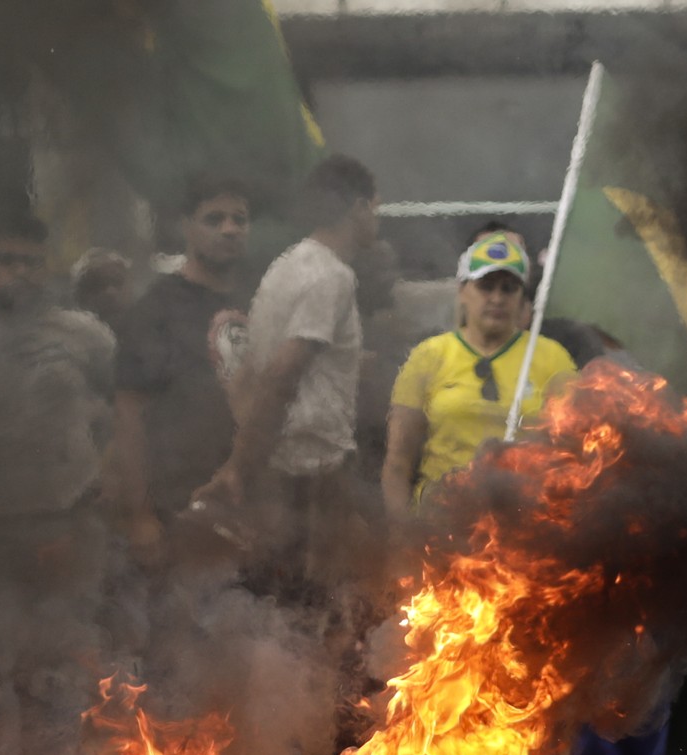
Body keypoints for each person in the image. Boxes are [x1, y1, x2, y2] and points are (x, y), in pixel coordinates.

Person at [0, 211, 116, 755]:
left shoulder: (85, 334)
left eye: (30, 262)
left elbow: (119, 414)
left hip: (72, 522)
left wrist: (96, 482)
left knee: (69, 655)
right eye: (5, 261)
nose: (19, 274)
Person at [193, 154, 380, 598]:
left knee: (293, 604)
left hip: (283, 465)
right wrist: (240, 465)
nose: (377, 221)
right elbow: (282, 372)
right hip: (311, 473)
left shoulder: (289, 264)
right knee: (319, 601)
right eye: (376, 209)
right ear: (357, 208)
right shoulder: (330, 276)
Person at [381, 232, 578, 519]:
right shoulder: (429, 356)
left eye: (509, 288)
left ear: (522, 296)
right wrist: (400, 533)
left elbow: (573, 450)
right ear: (462, 290)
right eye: (486, 286)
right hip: (439, 522)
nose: (497, 298)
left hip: (523, 522)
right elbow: (398, 462)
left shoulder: (552, 358)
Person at [112, 177, 253, 570]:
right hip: (181, 509)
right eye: (214, 219)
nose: (230, 228)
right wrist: (139, 515)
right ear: (186, 227)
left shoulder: (260, 298)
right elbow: (128, 415)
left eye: (239, 219)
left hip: (251, 504)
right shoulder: (155, 311)